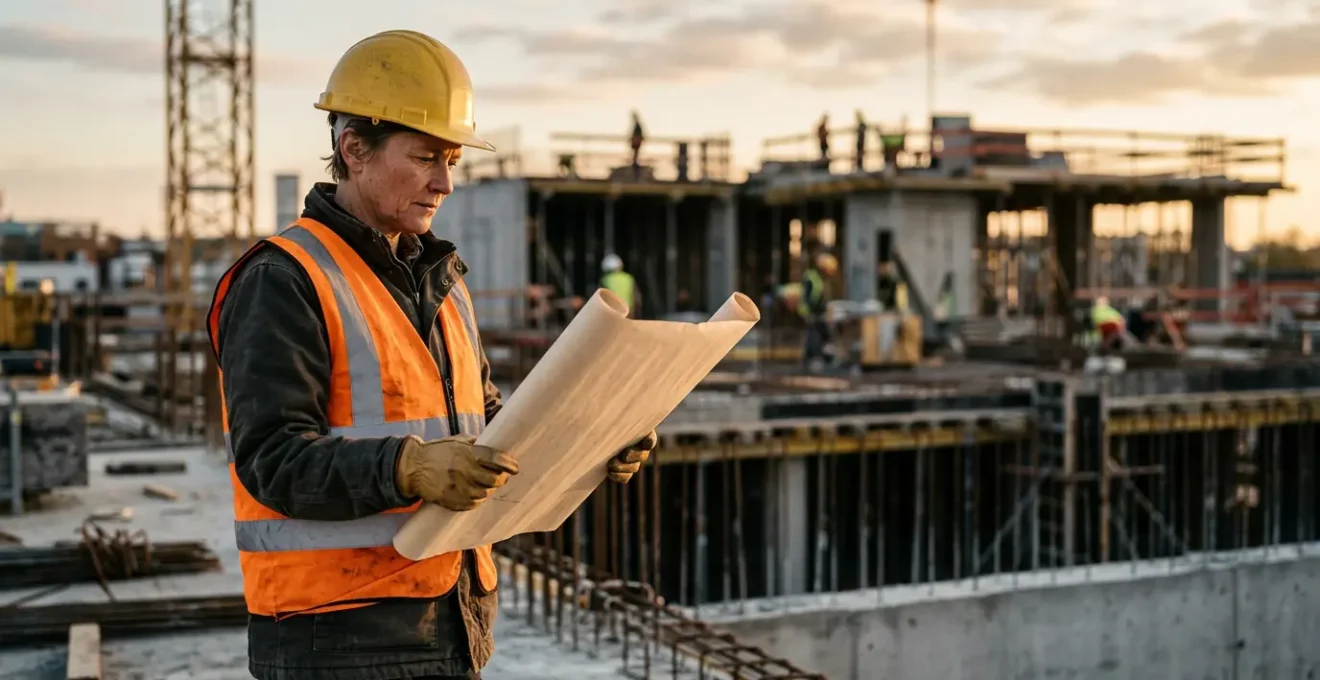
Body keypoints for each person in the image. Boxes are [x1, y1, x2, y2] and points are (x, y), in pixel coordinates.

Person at [207, 30, 658, 680]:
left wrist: (593, 440)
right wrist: (409, 468)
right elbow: (269, 460)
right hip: (334, 637)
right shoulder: (284, 279)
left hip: (450, 616)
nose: (445, 182)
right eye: (424, 158)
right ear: (353, 149)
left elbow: (489, 426)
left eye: (452, 160)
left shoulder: (441, 283)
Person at [799, 251, 838, 370]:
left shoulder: (822, 279)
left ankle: (825, 358)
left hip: (819, 313)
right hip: (812, 313)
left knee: (824, 335)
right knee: (814, 336)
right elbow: (806, 297)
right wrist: (808, 314)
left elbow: (823, 297)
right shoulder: (811, 277)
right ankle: (813, 360)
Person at [600, 252, 639, 317]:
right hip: (628, 311)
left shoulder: (605, 279)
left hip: (613, 311)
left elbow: (601, 297)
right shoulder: (628, 278)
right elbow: (637, 297)